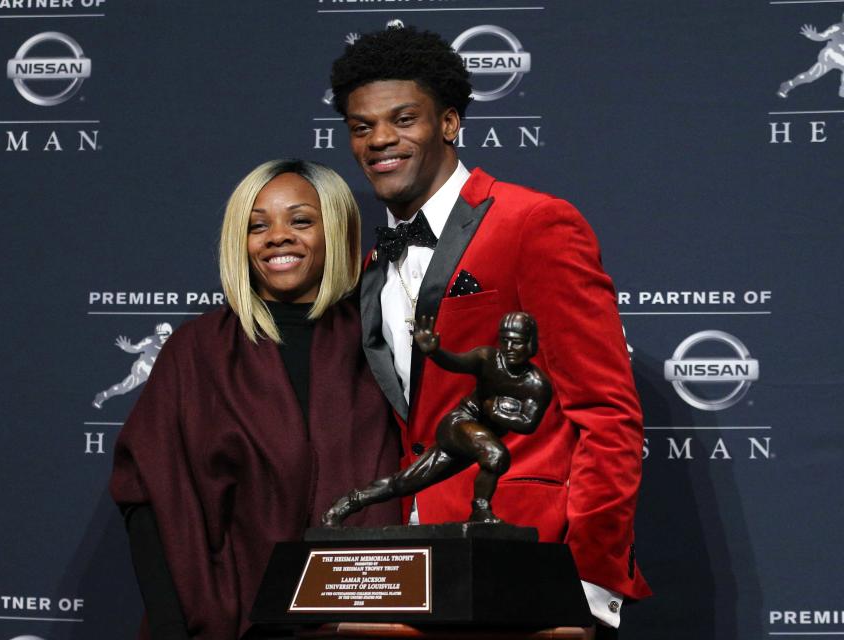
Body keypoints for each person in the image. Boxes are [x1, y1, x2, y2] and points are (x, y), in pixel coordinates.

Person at [329, 25, 651, 634]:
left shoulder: (535, 222)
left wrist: (586, 585)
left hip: (530, 567)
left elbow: (608, 413)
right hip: (417, 574)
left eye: (403, 119)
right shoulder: (374, 265)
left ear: (449, 123)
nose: (380, 140)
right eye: (361, 126)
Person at [109, 159, 401, 640]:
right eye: (257, 225)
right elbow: (147, 498)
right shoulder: (197, 350)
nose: (277, 237)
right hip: (229, 623)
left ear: (337, 231)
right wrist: (169, 626)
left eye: (301, 221)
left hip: (365, 615)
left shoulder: (382, 343)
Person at [323, 312, 551, 525]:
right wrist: (434, 352)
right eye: (505, 340)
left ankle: (345, 505)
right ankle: (480, 509)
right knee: (495, 454)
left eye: (517, 342)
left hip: (475, 441)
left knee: (405, 482)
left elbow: (528, 424)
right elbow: (457, 362)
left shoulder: (536, 385)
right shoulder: (488, 358)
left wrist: (497, 412)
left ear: (530, 343)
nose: (510, 348)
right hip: (459, 424)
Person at [92, 323, 173, 409]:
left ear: (169, 333)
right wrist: (127, 347)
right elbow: (136, 348)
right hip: (144, 369)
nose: (160, 337)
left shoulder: (174, 343)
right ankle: (102, 396)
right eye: (159, 335)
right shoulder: (150, 341)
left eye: (164, 334)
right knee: (123, 388)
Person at [777, 13, 844, 98]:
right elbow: (822, 36)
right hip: (831, 54)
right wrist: (813, 36)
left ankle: (788, 85)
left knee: (810, 76)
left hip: (841, 58)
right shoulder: (837, 27)